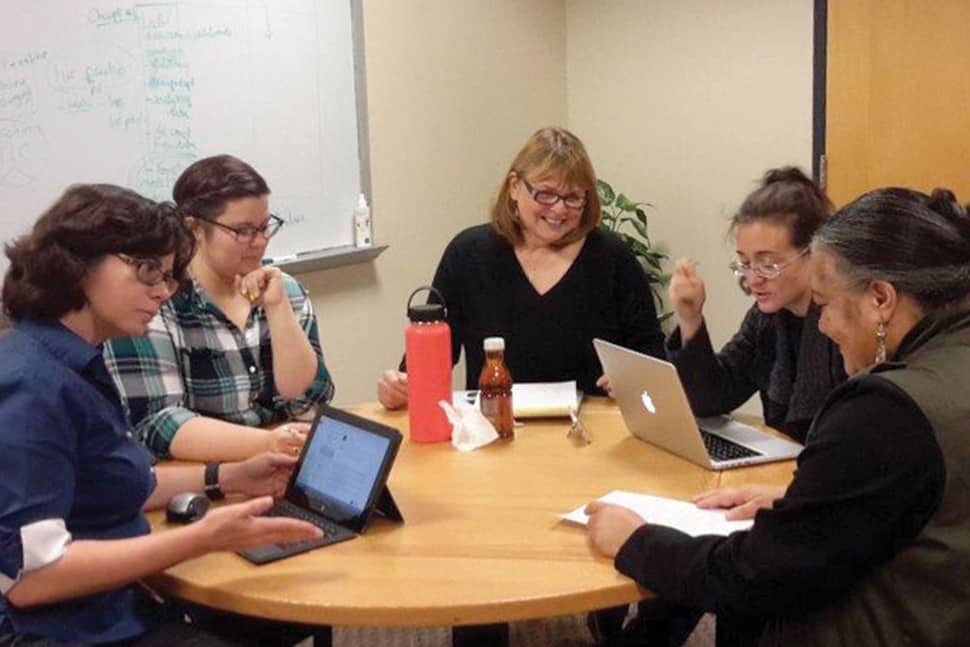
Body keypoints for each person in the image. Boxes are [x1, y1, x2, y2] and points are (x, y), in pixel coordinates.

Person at [586, 186, 970, 646]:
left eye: (826, 305)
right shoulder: (950, 359)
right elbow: (892, 490)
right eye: (745, 263)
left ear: (881, 299)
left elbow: (759, 575)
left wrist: (636, 541)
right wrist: (810, 501)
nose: (824, 324)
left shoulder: (887, 409)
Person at [0, 184, 321, 644]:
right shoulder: (32, 386)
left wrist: (232, 476)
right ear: (75, 264)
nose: (162, 293)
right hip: (65, 631)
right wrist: (202, 538)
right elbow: (34, 578)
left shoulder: (76, 359)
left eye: (168, 277)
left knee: (274, 606)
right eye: (147, 271)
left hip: (117, 603)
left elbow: (119, 480)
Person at [377, 127, 665, 408]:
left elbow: (651, 355)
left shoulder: (613, 258)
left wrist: (633, 381)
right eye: (546, 194)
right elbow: (431, 359)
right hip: (493, 431)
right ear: (514, 187)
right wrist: (400, 387)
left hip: (593, 436)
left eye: (573, 198)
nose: (559, 209)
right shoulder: (467, 255)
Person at [104, 155, 334, 461]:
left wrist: (278, 309)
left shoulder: (284, 290)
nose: (260, 242)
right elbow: (158, 422)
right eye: (242, 231)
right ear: (195, 229)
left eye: (265, 227)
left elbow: (307, 398)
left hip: (287, 461)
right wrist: (266, 444)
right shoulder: (157, 301)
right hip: (204, 476)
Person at [667, 167, 846, 443]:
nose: (752, 279)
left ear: (813, 253)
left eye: (767, 264)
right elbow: (712, 398)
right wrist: (691, 318)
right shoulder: (766, 319)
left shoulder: (845, 323)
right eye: (745, 263)